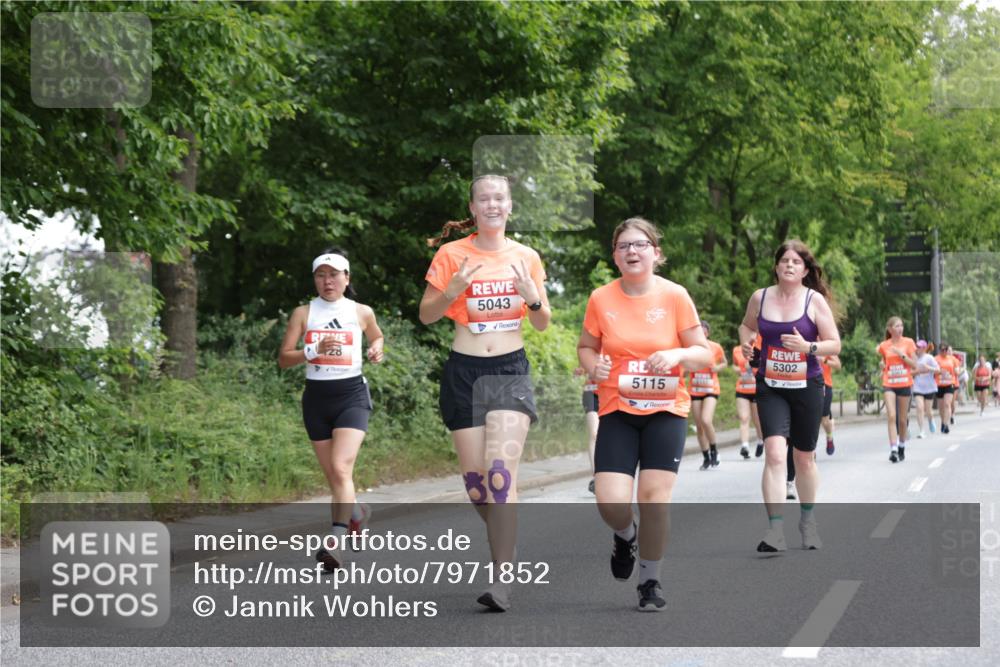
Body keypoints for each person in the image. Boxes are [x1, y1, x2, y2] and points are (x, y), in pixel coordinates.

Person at [419, 174, 550, 612]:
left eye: (499, 198)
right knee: (477, 487)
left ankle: (502, 578)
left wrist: (533, 299)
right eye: (484, 199)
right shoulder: (451, 255)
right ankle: (505, 537)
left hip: (508, 371)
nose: (492, 204)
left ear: (510, 206)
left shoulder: (526, 257)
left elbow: (542, 322)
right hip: (464, 372)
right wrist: (452, 291)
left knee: (500, 475)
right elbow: (426, 315)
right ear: (472, 208)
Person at [577, 217, 712, 612]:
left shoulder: (675, 296)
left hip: (666, 410)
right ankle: (625, 535)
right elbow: (586, 347)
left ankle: (650, 580)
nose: (631, 251)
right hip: (618, 409)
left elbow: (703, 353)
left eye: (639, 245)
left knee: (654, 499)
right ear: (615, 256)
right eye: (623, 246)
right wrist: (594, 366)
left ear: (656, 252)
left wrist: (677, 354)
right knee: (609, 501)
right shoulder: (601, 298)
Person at [278, 250, 383, 571]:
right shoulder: (303, 313)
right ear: (315, 280)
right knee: (336, 477)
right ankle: (356, 514)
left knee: (340, 467)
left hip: (351, 396)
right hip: (316, 400)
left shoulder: (361, 311)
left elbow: (377, 335)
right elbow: (284, 358)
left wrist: (376, 348)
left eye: (334, 274)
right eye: (321, 275)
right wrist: (311, 350)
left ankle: (335, 543)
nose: (328, 281)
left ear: (346, 278)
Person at [738, 240, 841, 553]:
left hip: (807, 385)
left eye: (796, 262)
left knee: (804, 458)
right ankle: (775, 531)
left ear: (805, 270)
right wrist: (747, 344)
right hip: (770, 385)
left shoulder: (814, 301)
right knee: (774, 453)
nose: (790, 265)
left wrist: (808, 347)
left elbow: (834, 343)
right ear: (776, 266)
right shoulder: (760, 297)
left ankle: (808, 522)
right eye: (785, 260)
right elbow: (746, 326)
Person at [876, 317, 917, 463]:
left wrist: (901, 354)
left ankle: (901, 446)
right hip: (889, 383)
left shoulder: (909, 342)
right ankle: (893, 449)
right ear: (890, 329)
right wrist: (882, 365)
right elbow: (884, 361)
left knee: (902, 420)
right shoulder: (884, 345)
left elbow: (914, 365)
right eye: (897, 326)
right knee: (891, 416)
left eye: (901, 325)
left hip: (904, 383)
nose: (900, 328)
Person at [688, 321, 727, 470]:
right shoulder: (690, 348)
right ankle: (706, 457)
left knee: (706, 420)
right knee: (699, 426)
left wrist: (717, 368)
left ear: (708, 333)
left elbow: (724, 362)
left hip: (711, 388)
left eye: (704, 333)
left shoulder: (715, 347)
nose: (702, 335)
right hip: (695, 388)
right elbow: (684, 366)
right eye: (700, 333)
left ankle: (714, 450)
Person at [732, 336, 764, 460]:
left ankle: (760, 441)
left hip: (755, 389)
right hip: (742, 388)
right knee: (744, 418)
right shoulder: (737, 350)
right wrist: (739, 370)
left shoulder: (759, 348)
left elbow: (764, 365)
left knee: (757, 420)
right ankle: (744, 446)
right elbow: (734, 365)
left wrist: (752, 366)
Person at [576, 365, 600, 493]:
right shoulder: (591, 351)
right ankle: (596, 476)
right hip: (591, 391)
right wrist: (580, 370)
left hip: (611, 393)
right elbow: (583, 367)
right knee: (594, 433)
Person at [912, 340, 940, 438]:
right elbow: (910, 372)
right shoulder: (913, 358)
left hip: (929, 387)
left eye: (919, 347)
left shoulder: (929, 358)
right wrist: (917, 371)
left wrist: (928, 368)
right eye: (916, 346)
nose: (917, 348)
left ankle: (931, 420)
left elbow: (938, 370)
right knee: (919, 408)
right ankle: (921, 431)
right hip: (917, 387)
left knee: (928, 411)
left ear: (924, 348)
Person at [934, 343, 959, 434]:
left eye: (945, 350)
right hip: (939, 384)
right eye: (942, 350)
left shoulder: (952, 359)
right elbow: (932, 371)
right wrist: (940, 372)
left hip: (950, 383)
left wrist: (956, 371)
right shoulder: (935, 359)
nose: (944, 351)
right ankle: (943, 421)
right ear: (939, 350)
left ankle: (945, 424)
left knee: (947, 404)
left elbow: (957, 371)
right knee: (941, 407)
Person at [820, 354, 841, 455]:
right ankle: (811, 451)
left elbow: (838, 365)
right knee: (811, 419)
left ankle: (829, 436)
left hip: (825, 385)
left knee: (825, 420)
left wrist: (824, 360)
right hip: (808, 384)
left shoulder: (827, 346)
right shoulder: (805, 344)